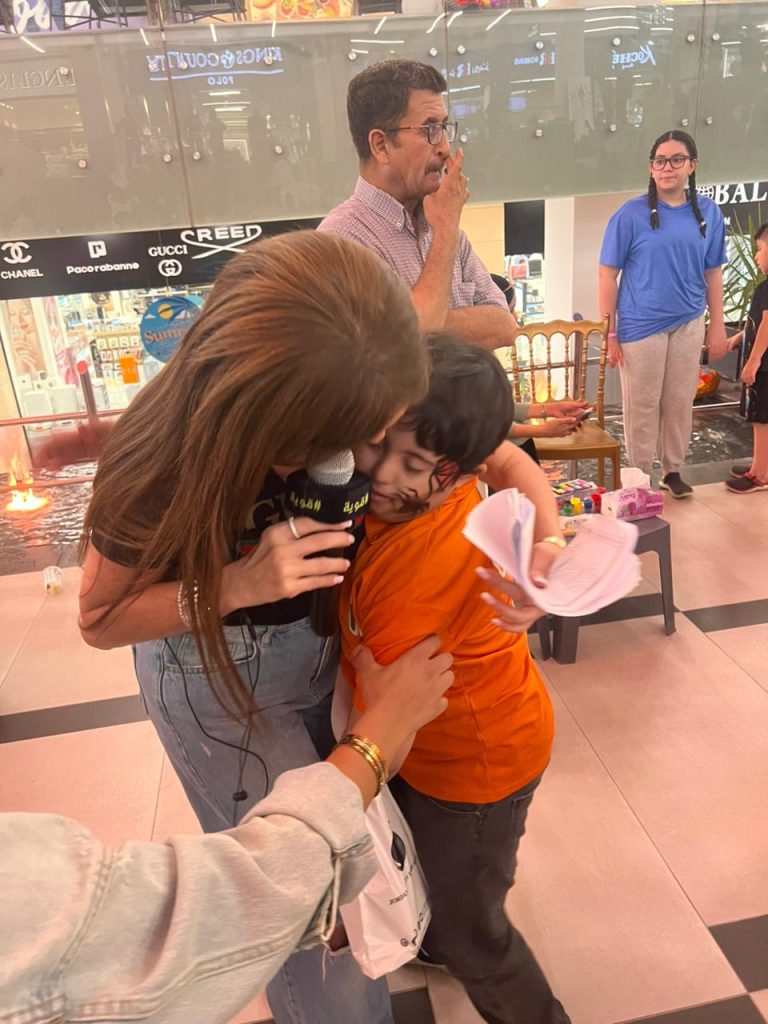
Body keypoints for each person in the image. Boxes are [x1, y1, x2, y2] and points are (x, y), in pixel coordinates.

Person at [76, 229, 560, 1024]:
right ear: (280, 422)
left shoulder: (360, 379)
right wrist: (237, 583)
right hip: (223, 673)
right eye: (363, 439)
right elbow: (98, 620)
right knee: (310, 911)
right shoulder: (164, 469)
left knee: (358, 872)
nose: (373, 466)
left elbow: (493, 451)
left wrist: (547, 539)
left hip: (320, 646)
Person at [3, 639, 454, 1024]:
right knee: (324, 940)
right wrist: (372, 745)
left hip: (323, 644)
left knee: (332, 921)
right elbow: (222, 910)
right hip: (217, 665)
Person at [340, 334, 570, 1024]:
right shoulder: (437, 474)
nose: (382, 475)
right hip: (458, 742)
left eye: (413, 466)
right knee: (441, 875)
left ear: (457, 469)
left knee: (477, 934)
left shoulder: (421, 571)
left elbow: (387, 723)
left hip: (477, 768)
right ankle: (436, 934)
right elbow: (505, 455)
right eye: (377, 445)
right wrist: (550, 532)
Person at [318, 58, 517, 351]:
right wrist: (445, 232)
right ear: (381, 146)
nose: (445, 147)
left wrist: (422, 322)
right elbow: (404, 343)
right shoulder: (341, 242)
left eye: (444, 127)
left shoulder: (441, 225)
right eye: (429, 129)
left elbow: (505, 326)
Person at [598, 129, 728, 499]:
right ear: (651, 167)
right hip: (641, 326)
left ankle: (672, 470)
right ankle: (641, 475)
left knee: (679, 400)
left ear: (692, 166)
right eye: (660, 160)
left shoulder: (708, 213)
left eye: (676, 159)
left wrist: (717, 326)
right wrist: (610, 334)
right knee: (642, 405)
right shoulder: (630, 214)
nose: (667, 167)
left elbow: (713, 273)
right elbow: (607, 275)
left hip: (689, 320)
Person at [490, 272, 589, 463]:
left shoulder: (485, 354)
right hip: (500, 455)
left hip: (513, 447)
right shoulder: (469, 363)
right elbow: (487, 424)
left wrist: (551, 409)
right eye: (511, 310)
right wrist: (543, 430)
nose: (515, 319)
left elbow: (500, 409)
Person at [725, 221, 768, 493]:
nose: (755, 256)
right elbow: (757, 322)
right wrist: (739, 338)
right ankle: (760, 463)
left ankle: (760, 474)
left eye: (760, 249)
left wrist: (753, 362)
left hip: (764, 366)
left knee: (761, 418)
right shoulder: (764, 287)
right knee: (761, 416)